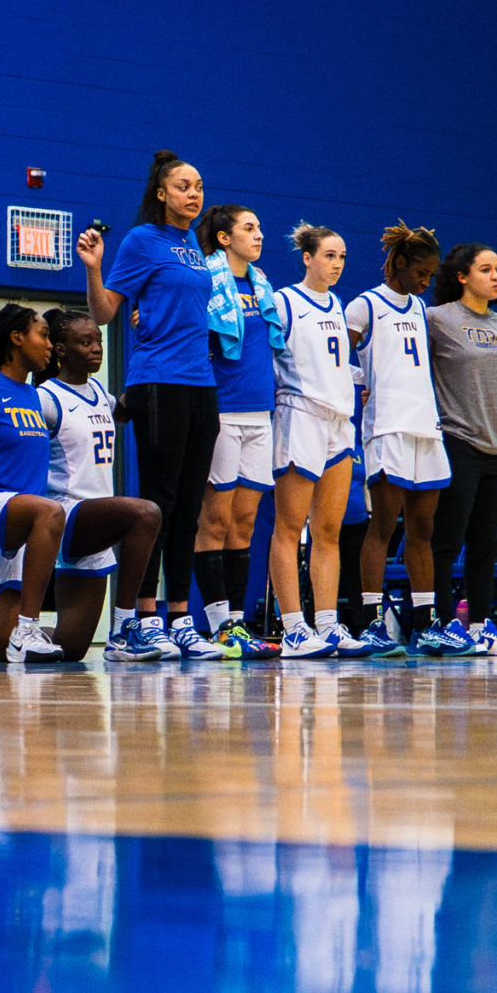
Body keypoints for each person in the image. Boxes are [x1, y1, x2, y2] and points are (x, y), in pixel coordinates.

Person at [0, 305, 163, 665]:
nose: (48, 344)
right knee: (55, 510)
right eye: (43, 336)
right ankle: (31, 626)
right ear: (16, 338)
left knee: (23, 647)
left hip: (24, 521)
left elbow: (121, 408)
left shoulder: (32, 394)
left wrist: (157, 343)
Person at [76, 150, 218, 653]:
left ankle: (181, 618)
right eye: (183, 185)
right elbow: (107, 312)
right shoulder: (141, 240)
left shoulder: (194, 247)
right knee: (158, 504)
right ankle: (143, 617)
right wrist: (94, 269)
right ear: (161, 193)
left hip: (201, 384)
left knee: (189, 509)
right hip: (157, 381)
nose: (194, 193)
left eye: (198, 185)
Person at [37, 306, 164, 662]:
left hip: (97, 524)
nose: (96, 348)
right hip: (67, 514)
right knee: (145, 514)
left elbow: (124, 407)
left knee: (71, 646)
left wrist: (152, 346)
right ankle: (124, 629)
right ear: (60, 350)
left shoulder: (96, 390)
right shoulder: (46, 397)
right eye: (84, 342)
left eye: (98, 341)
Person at [267, 224, 370, 660]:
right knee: (290, 528)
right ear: (307, 257)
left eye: (342, 256)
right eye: (329, 255)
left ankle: (327, 624)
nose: (337, 264)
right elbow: (269, 358)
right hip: (300, 414)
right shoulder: (284, 301)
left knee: (328, 532)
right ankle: (293, 627)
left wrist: (352, 382)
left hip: (338, 421)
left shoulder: (338, 305)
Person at [420, 243, 497, 656]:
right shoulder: (438, 319)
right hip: (457, 441)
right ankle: (446, 623)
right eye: (486, 269)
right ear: (462, 276)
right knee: (447, 540)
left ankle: (482, 626)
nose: (496, 276)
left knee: (487, 544)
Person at [345, 223, 447, 651]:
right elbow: (331, 355)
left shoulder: (421, 310)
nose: (426, 282)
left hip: (426, 425)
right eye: (422, 272)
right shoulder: (364, 306)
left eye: (432, 275)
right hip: (386, 427)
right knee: (383, 526)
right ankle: (371, 621)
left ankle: (425, 621)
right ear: (400, 263)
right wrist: (354, 380)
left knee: (422, 529)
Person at [193, 204, 278, 659]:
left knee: (245, 522)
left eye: (258, 226)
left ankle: (238, 623)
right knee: (216, 521)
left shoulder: (261, 285)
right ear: (224, 238)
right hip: (223, 412)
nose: (259, 234)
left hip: (260, 414)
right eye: (249, 227)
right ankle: (217, 623)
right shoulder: (207, 279)